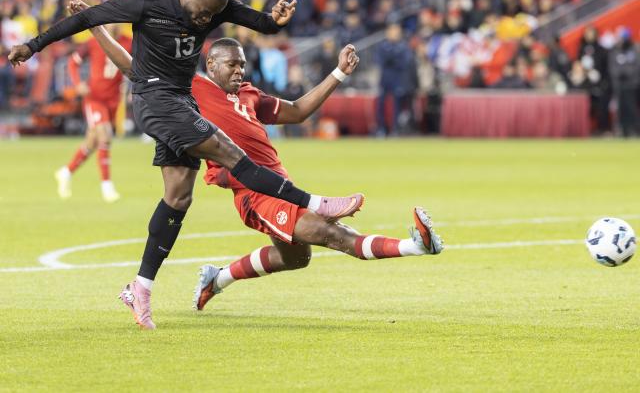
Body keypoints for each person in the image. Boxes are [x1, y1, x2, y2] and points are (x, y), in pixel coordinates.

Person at [10, 0, 364, 330]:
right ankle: (316, 203)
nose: (205, 21)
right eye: (201, 13)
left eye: (212, 15)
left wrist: (274, 20)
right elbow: (87, 17)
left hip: (182, 103)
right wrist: (32, 45)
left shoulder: (214, 4)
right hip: (154, 99)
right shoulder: (147, 1)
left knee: (178, 197)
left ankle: (140, 289)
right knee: (229, 150)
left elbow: (260, 22)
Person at [83, 28, 444, 313]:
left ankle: (217, 279)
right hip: (255, 196)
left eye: (242, 65)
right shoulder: (193, 90)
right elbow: (135, 67)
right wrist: (99, 30)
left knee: (296, 258)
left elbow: (299, 111)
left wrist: (338, 73)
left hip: (281, 186)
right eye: (231, 65)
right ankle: (416, 245)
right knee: (331, 233)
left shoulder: (251, 96)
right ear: (211, 66)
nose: (239, 71)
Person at [54, 25, 131, 202]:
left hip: (113, 101)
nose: (115, 24)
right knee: (105, 136)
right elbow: (73, 62)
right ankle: (107, 186)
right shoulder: (93, 41)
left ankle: (66, 172)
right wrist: (77, 83)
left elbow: (139, 64)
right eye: (112, 20)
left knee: (93, 141)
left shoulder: (129, 42)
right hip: (94, 99)